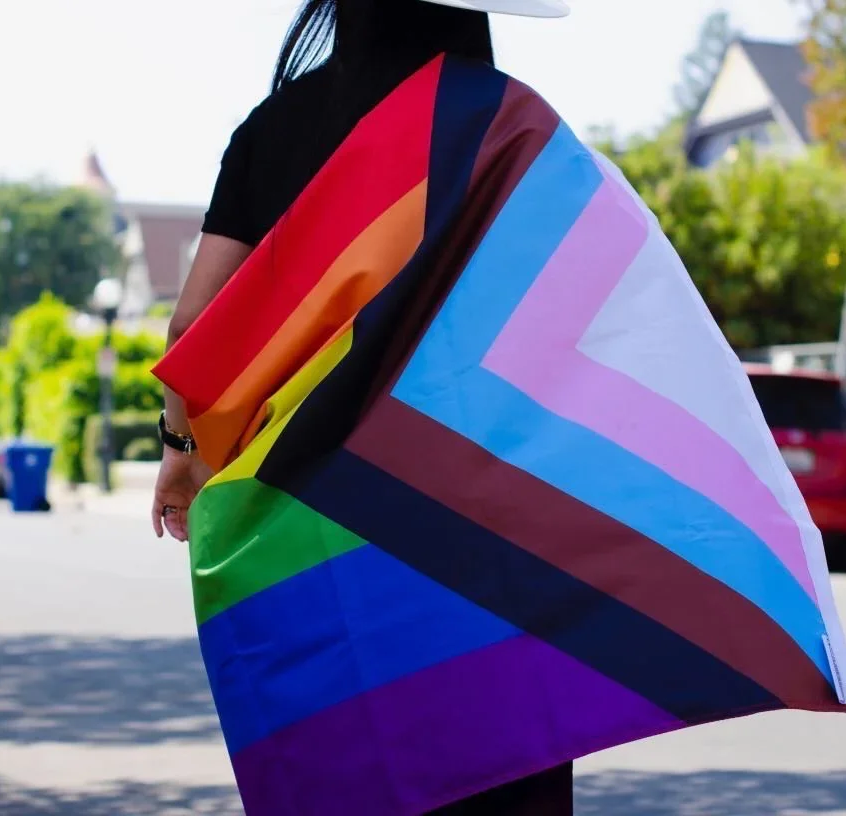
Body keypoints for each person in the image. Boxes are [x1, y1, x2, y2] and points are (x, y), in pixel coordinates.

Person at [153, 3, 576, 812]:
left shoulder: (274, 128)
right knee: (495, 775)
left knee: (345, 771)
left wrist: (183, 448)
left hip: (312, 532)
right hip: (481, 541)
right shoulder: (514, 126)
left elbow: (195, 329)